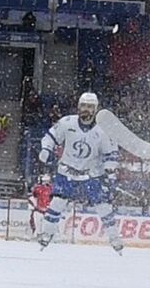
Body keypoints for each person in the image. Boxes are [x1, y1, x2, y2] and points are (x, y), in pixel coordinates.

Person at [35, 92, 125, 253]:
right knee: (57, 203)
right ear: (78, 106)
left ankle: (114, 238)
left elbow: (110, 154)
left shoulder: (103, 130)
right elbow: (50, 137)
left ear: (96, 109)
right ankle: (46, 235)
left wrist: (110, 172)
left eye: (90, 107)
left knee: (103, 206)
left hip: (91, 175)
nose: (86, 110)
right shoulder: (66, 122)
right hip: (66, 172)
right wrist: (46, 149)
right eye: (84, 106)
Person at [28, 174, 52, 240]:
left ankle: (46, 236)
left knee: (46, 225)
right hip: (39, 209)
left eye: (47, 181)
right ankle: (37, 234)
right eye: (44, 181)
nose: (46, 183)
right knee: (37, 224)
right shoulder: (38, 188)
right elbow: (34, 195)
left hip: (47, 210)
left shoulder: (51, 188)